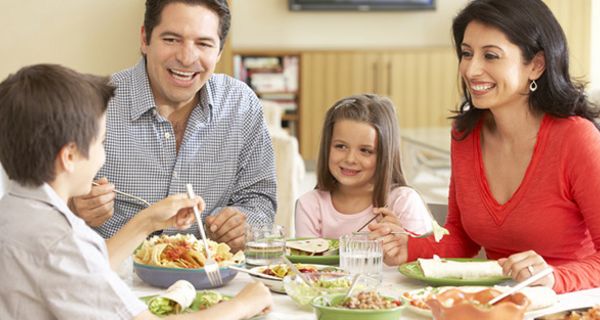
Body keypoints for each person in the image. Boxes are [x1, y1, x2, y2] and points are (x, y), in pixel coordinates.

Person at [0, 64, 272, 320]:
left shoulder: (16, 210)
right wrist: (241, 304)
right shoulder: (61, 240)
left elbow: (87, 269)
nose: (102, 156)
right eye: (100, 142)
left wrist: (149, 221)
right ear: (69, 156)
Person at [369, 0, 600, 293]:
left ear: (536, 65)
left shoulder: (577, 139)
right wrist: (409, 247)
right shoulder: (465, 135)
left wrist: (554, 277)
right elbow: (462, 239)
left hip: (567, 305)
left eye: (491, 56)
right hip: (492, 304)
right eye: (466, 54)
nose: (471, 69)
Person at [69, 0, 276, 252]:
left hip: (209, 275)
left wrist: (242, 223)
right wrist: (74, 207)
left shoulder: (241, 104)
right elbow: (46, 205)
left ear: (219, 51)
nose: (186, 58)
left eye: (203, 44)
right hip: (114, 275)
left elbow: (260, 199)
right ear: (145, 39)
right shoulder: (95, 104)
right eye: (171, 39)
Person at [295, 94, 432, 238]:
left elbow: (425, 258)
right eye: (341, 146)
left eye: (365, 151)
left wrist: (401, 242)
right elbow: (305, 259)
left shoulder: (403, 202)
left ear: (385, 155)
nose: (350, 159)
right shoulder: (310, 205)